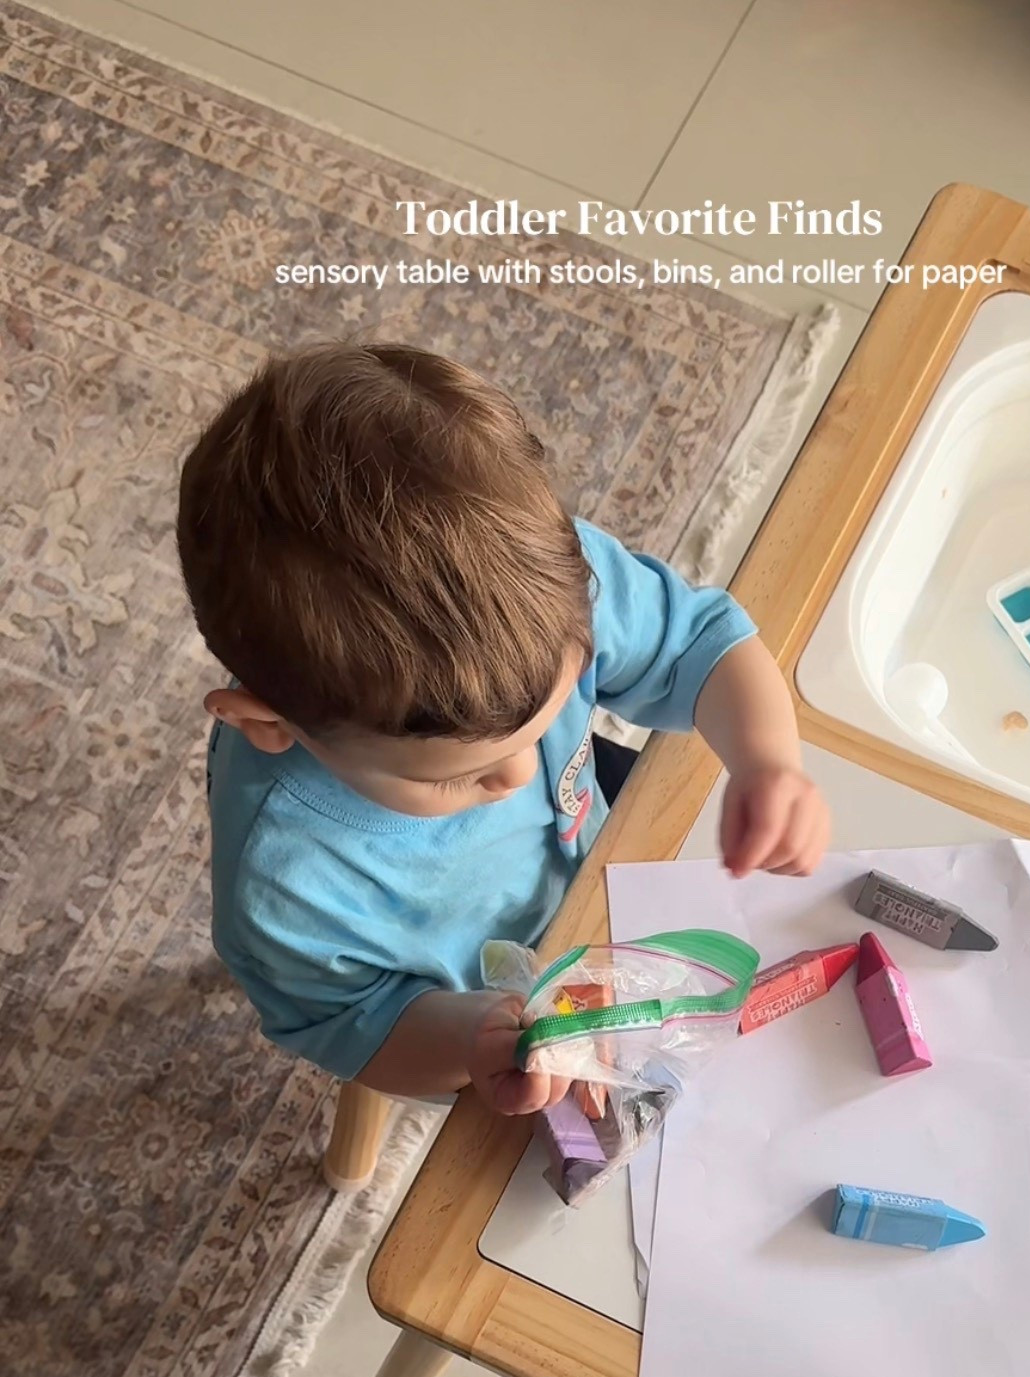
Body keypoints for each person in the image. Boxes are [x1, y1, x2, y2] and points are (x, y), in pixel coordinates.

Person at [177, 342, 829, 1115]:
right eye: (455, 774)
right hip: (478, 1007)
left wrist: (765, 759)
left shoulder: (537, 585)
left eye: (543, 723)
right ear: (268, 724)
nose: (520, 777)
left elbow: (695, 643)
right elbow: (352, 1022)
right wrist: (467, 1038)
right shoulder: (284, 886)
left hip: (596, 869)